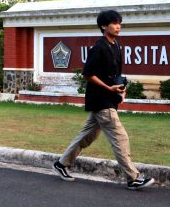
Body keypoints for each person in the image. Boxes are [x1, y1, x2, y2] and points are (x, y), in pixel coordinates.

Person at [52, 10, 155, 191]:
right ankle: (133, 178)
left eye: (119, 23)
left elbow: (115, 74)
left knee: (88, 135)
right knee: (120, 137)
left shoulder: (116, 45)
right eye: (114, 23)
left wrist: (121, 89)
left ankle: (61, 164)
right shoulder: (99, 47)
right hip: (101, 100)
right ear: (103, 26)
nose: (118, 26)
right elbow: (87, 74)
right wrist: (109, 89)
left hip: (109, 98)